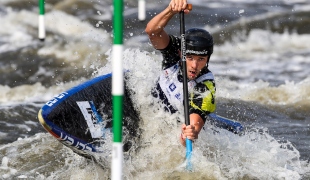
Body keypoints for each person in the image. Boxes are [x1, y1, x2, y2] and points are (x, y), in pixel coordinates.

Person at [145, 0, 216, 147]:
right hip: (147, 108)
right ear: (181, 52)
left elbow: (194, 124)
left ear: (208, 59)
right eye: (190, 58)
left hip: (168, 125)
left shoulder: (205, 87)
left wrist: (191, 133)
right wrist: (171, 10)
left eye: (201, 59)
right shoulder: (174, 52)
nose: (194, 66)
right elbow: (152, 31)